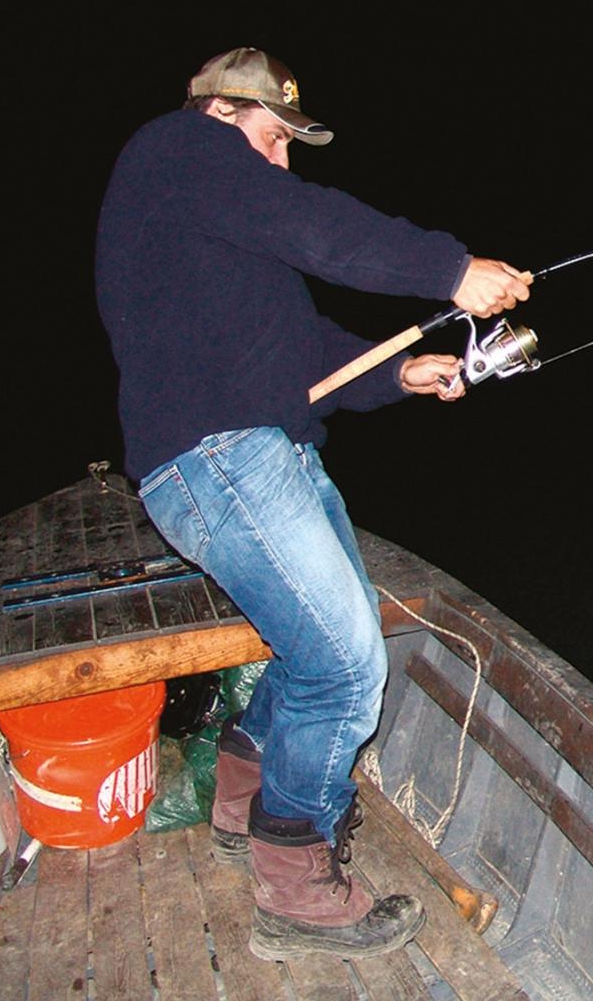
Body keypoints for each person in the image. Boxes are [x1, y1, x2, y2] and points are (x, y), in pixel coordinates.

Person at [95, 47, 530, 961]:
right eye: (274, 137)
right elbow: (315, 226)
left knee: (317, 653)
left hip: (272, 453)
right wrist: (448, 271)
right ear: (220, 114)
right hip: (221, 458)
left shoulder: (212, 228)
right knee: (344, 668)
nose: (284, 160)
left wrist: (398, 374)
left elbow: (303, 351)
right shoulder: (173, 150)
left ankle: (239, 798)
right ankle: (294, 887)